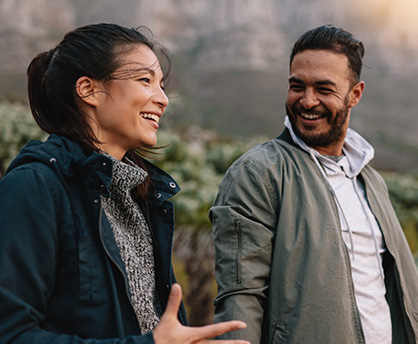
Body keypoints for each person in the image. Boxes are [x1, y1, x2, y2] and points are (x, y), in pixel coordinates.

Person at [0, 23, 250, 344]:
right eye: (145, 81)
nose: (163, 99)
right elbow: (10, 334)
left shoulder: (142, 196)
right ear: (89, 90)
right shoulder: (34, 187)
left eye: (161, 85)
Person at [210, 25, 418, 344]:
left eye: (324, 89)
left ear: (355, 94)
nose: (307, 101)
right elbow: (241, 296)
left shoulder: (371, 179)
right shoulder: (258, 172)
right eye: (297, 86)